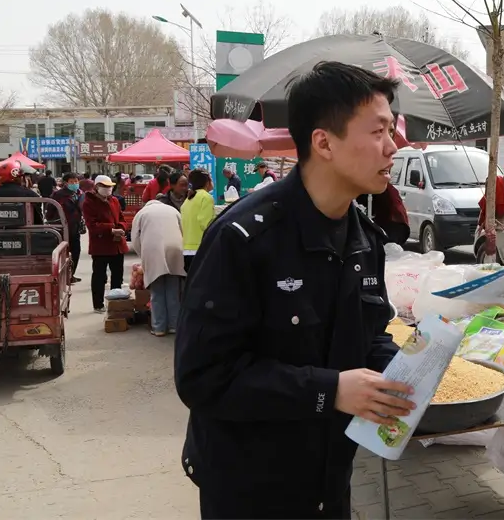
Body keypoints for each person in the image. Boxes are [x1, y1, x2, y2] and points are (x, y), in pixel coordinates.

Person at [174, 61, 413, 519]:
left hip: (331, 479)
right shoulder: (243, 239)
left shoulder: (364, 238)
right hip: (250, 488)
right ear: (323, 141)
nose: (393, 146)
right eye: (379, 131)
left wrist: (402, 371)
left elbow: (371, 332)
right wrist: (330, 390)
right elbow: (203, 378)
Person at [130, 199, 186, 337]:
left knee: (157, 292)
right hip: (175, 250)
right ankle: (174, 326)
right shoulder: (173, 210)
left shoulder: (142, 213)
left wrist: (142, 256)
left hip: (153, 251)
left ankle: (159, 327)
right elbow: (182, 231)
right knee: (173, 291)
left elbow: (135, 238)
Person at [82, 174, 129, 313]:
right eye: (105, 187)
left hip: (117, 244)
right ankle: (98, 304)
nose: (108, 189)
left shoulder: (114, 200)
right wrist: (110, 229)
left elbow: (121, 218)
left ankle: (116, 303)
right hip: (100, 246)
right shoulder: (89, 202)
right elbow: (92, 225)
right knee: (99, 276)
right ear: (97, 187)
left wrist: (121, 228)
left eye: (110, 187)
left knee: (117, 275)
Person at [50, 172, 84, 283]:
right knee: (64, 252)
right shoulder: (59, 195)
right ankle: (63, 276)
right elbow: (50, 211)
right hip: (63, 228)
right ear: (66, 183)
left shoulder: (80, 193)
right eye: (72, 182)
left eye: (76, 181)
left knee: (76, 251)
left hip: (75, 227)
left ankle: (71, 275)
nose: (75, 184)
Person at [180, 169, 215, 273]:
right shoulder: (206, 197)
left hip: (187, 250)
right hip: (201, 249)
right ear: (207, 181)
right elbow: (206, 224)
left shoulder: (188, 199)